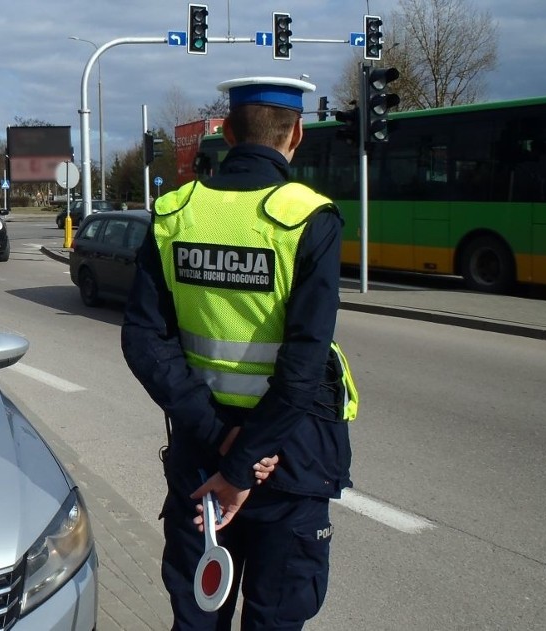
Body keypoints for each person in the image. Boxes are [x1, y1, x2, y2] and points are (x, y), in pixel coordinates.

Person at [121, 76, 357, 630]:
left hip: (201, 461)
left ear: (225, 131)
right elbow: (302, 368)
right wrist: (245, 462)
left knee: (198, 617)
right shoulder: (309, 218)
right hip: (288, 464)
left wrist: (223, 444)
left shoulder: (175, 214)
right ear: (296, 133)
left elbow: (143, 338)